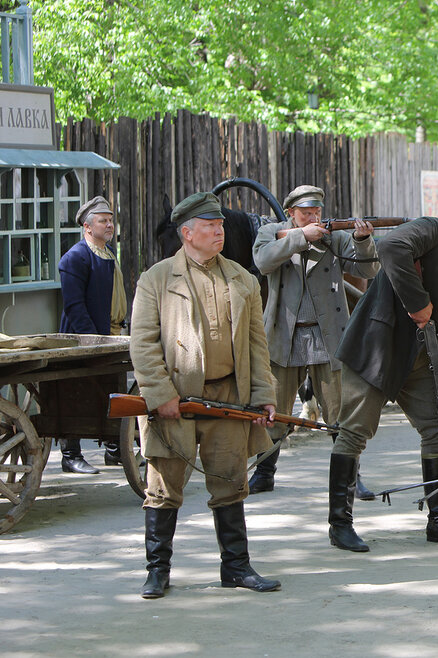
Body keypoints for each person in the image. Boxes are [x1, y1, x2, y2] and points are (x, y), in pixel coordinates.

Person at [327, 196, 438, 552]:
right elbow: (392, 246)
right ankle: (340, 524)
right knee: (353, 433)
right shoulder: (437, 229)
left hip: (421, 358)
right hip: (376, 346)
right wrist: (417, 302)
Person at [130, 192, 281, 598]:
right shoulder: (156, 279)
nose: (220, 231)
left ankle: (236, 567)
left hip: (230, 398)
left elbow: (256, 345)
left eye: (221, 225)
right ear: (187, 232)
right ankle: (157, 571)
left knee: (231, 482)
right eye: (211, 226)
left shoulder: (243, 279)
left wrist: (265, 394)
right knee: (163, 487)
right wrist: (160, 394)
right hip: (175, 402)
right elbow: (142, 345)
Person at [249, 185, 380, 494]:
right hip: (285, 335)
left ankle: (351, 477)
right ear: (291, 213)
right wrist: (300, 237)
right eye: (306, 213)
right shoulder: (272, 232)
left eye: (317, 212)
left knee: (340, 412)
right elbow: (264, 262)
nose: (313, 218)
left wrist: (362, 241)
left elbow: (369, 267)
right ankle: (265, 471)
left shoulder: (333, 237)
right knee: (275, 410)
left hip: (328, 335)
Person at [57, 195, 127, 473]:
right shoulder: (75, 258)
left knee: (110, 391)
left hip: (111, 334)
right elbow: (74, 306)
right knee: (75, 393)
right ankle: (70, 454)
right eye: (103, 221)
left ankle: (114, 449)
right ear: (87, 227)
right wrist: (93, 341)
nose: (109, 225)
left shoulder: (108, 253)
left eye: (110, 220)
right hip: (85, 339)